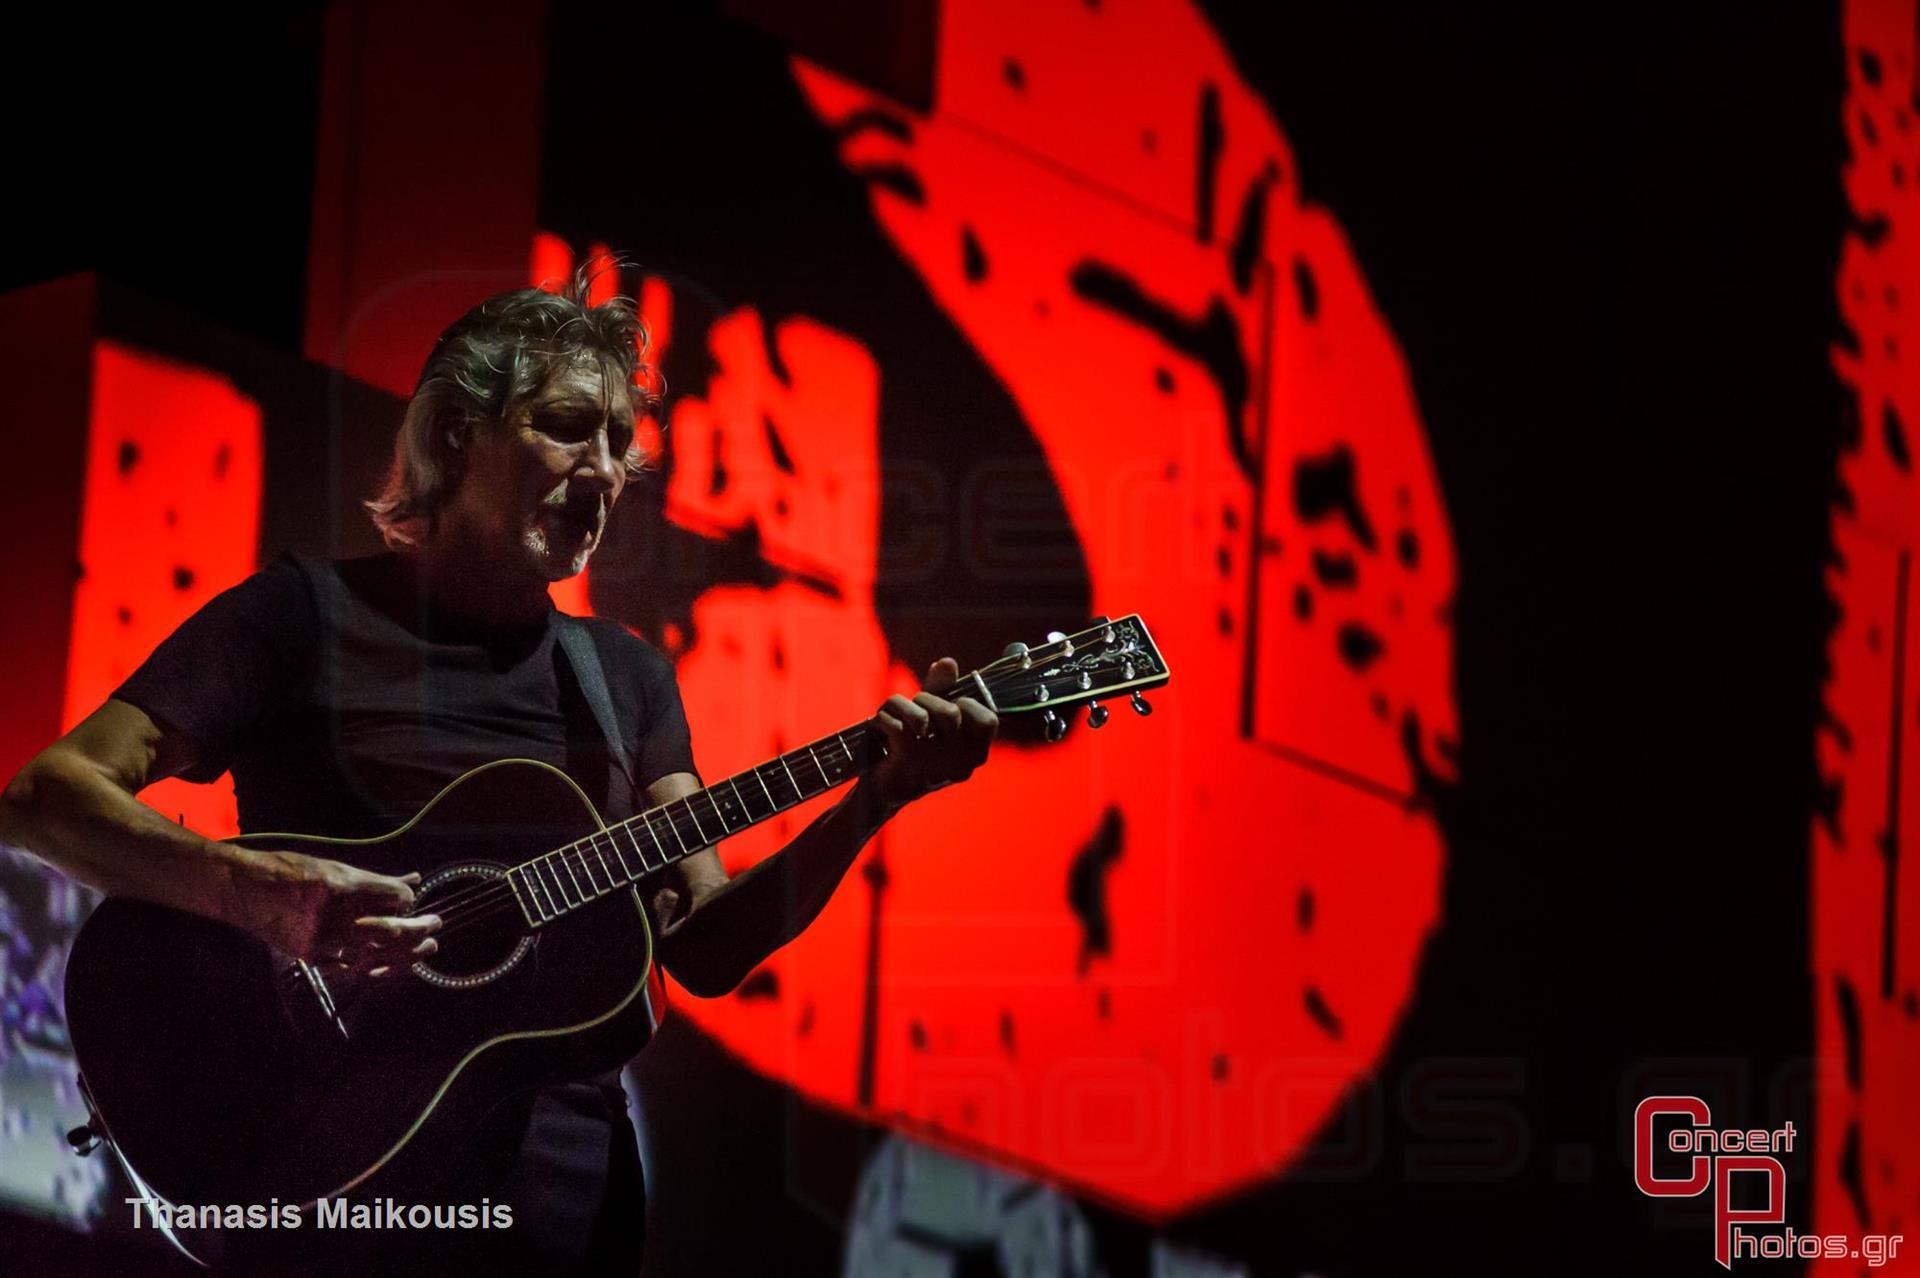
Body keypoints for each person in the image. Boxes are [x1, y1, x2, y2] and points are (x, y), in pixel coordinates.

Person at [0, 266, 998, 1274]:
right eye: (569, 425)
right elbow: (48, 797)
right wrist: (263, 895)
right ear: (454, 436)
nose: (607, 470)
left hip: (558, 1197)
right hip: (322, 1158)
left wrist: (874, 800)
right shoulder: (300, 618)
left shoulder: (623, 680)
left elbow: (703, 945)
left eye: (620, 444)